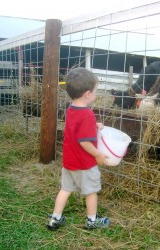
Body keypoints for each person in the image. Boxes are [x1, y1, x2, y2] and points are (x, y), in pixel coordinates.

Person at [47, 67, 110, 231]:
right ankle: (92, 220)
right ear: (87, 94)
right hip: (84, 164)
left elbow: (76, 129)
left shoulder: (71, 109)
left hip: (69, 162)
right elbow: (85, 143)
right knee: (91, 192)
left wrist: (94, 126)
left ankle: (55, 218)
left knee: (65, 189)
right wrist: (98, 155)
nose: (96, 94)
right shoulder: (88, 114)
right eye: (96, 90)